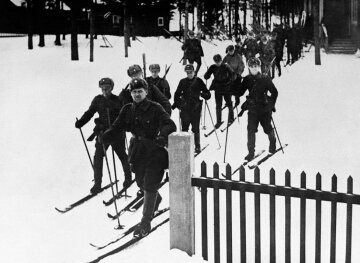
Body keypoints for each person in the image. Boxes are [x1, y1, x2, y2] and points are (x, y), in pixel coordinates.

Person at [103, 78, 176, 238]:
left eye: (140, 91)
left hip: (154, 151)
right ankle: (155, 200)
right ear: (130, 93)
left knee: (149, 185)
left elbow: (170, 124)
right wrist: (108, 135)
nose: (137, 94)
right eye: (134, 92)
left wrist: (162, 135)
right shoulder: (127, 109)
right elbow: (118, 126)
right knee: (140, 182)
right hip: (137, 152)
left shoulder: (155, 108)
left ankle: (145, 223)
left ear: (146, 92)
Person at [75, 77, 132, 194]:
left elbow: (126, 113)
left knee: (122, 156)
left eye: (107, 88)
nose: (105, 91)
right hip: (103, 133)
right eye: (103, 89)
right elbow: (90, 112)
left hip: (116, 133)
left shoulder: (118, 99)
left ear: (112, 88)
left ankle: (128, 178)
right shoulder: (98, 100)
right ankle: (97, 184)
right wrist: (81, 122)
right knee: (98, 157)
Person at [231, 57, 278, 161]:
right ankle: (251, 153)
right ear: (249, 68)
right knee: (250, 131)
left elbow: (274, 92)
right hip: (252, 110)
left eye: (256, 66)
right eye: (252, 67)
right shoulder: (247, 79)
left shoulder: (265, 78)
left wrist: (271, 104)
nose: (254, 68)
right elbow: (239, 93)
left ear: (259, 67)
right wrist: (236, 82)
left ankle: (273, 144)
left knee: (267, 128)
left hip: (264, 109)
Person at [172, 64, 211, 153]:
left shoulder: (199, 81)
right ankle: (185, 146)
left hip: (196, 108)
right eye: (188, 72)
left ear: (194, 72)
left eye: (191, 72)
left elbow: (208, 93)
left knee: (195, 128)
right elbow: (177, 94)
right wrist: (179, 104)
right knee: (184, 128)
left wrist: (204, 95)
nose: (189, 74)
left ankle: (197, 146)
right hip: (185, 109)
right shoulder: (182, 82)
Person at [204, 54, 234, 128]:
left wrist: (230, 82)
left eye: (219, 61)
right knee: (218, 106)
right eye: (216, 61)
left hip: (226, 87)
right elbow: (206, 76)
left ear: (221, 60)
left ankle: (231, 117)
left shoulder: (226, 66)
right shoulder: (213, 67)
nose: (218, 63)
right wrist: (207, 75)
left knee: (229, 103)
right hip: (218, 88)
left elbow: (233, 75)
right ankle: (218, 121)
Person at [223, 45, 245, 113]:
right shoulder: (227, 56)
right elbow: (223, 64)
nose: (230, 52)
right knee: (228, 89)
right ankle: (228, 101)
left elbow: (242, 66)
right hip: (230, 75)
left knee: (236, 89)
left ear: (234, 50)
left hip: (237, 75)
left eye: (232, 51)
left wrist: (238, 73)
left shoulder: (238, 56)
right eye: (229, 51)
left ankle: (237, 101)